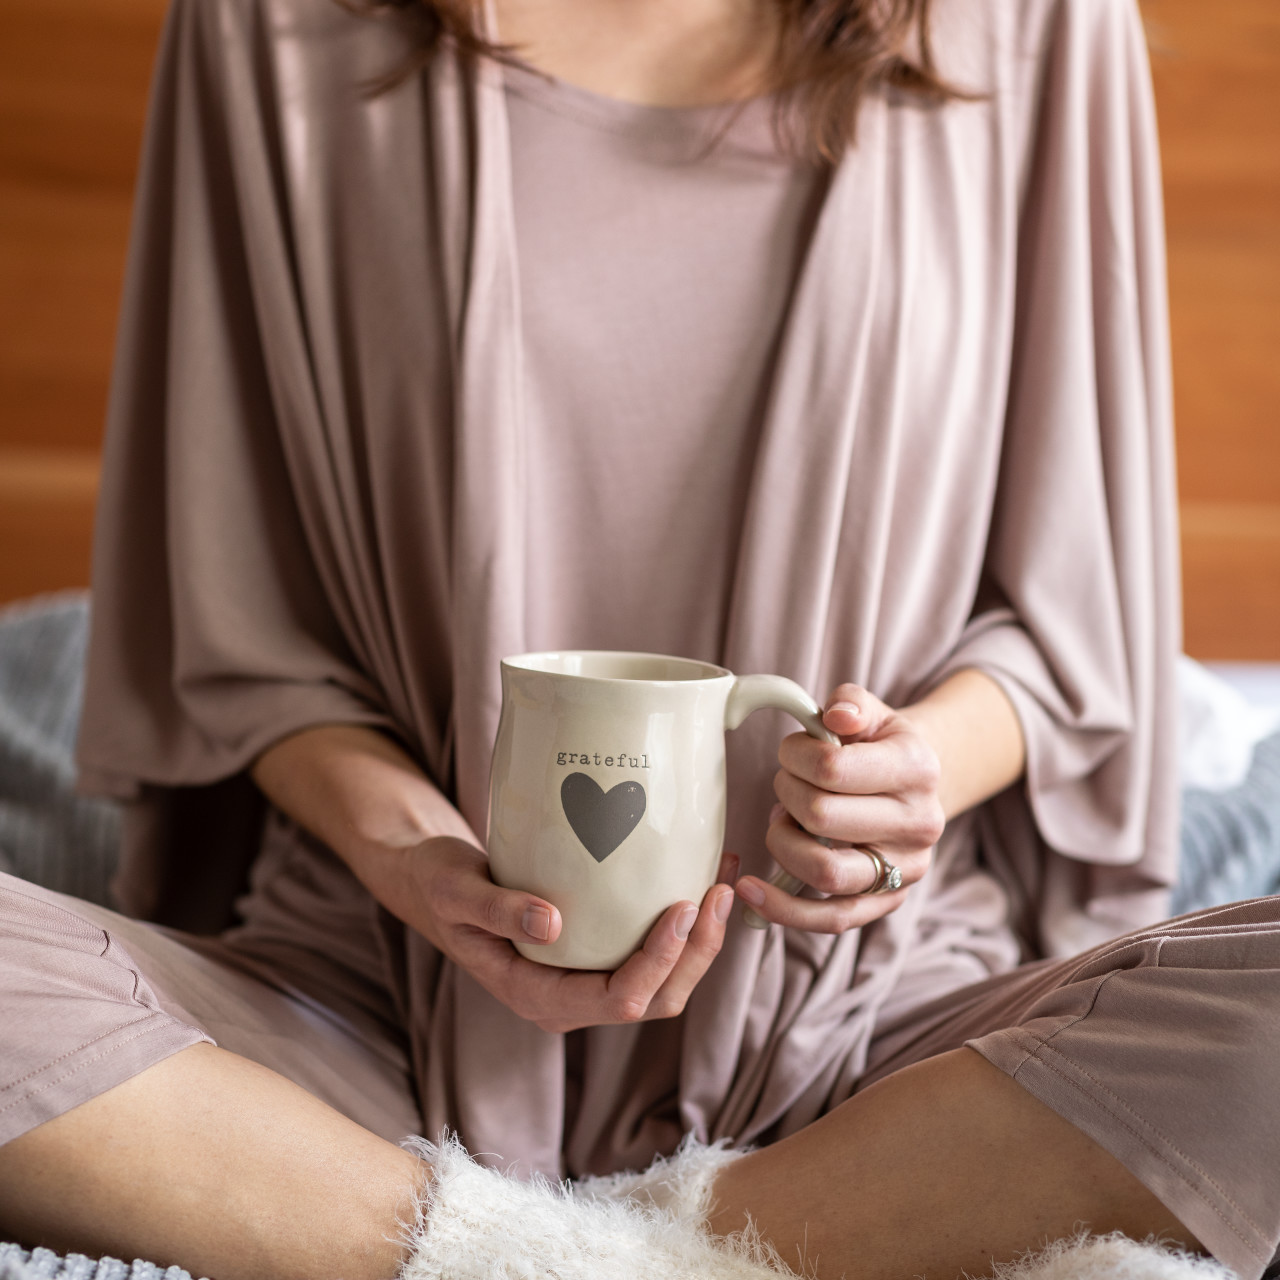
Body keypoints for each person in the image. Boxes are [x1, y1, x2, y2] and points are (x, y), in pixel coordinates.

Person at [2, 0, 1278, 1276]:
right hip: (362, 1014)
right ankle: (647, 1247)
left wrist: (903, 780)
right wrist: (419, 862)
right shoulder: (268, 23)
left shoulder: (1031, 23)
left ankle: (474, 1243)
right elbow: (241, 636)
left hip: (887, 1037)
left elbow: (1073, 636)